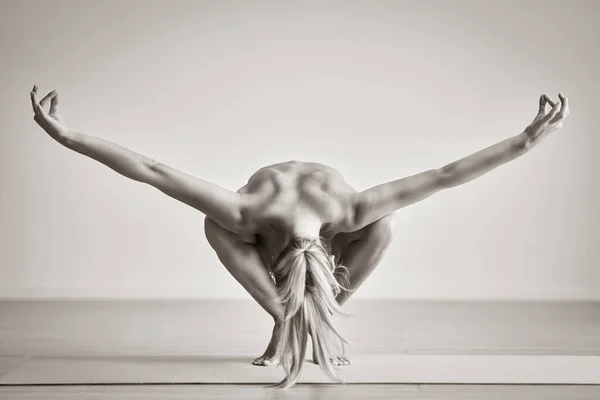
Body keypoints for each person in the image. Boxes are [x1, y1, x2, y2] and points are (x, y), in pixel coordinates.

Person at [29, 85, 569, 389]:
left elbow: (153, 171)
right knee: (211, 222)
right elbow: (445, 175)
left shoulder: (348, 213)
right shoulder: (246, 213)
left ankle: (302, 319)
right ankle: (293, 318)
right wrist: (522, 142)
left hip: (310, 229)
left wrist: (525, 141)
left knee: (388, 222)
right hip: (283, 225)